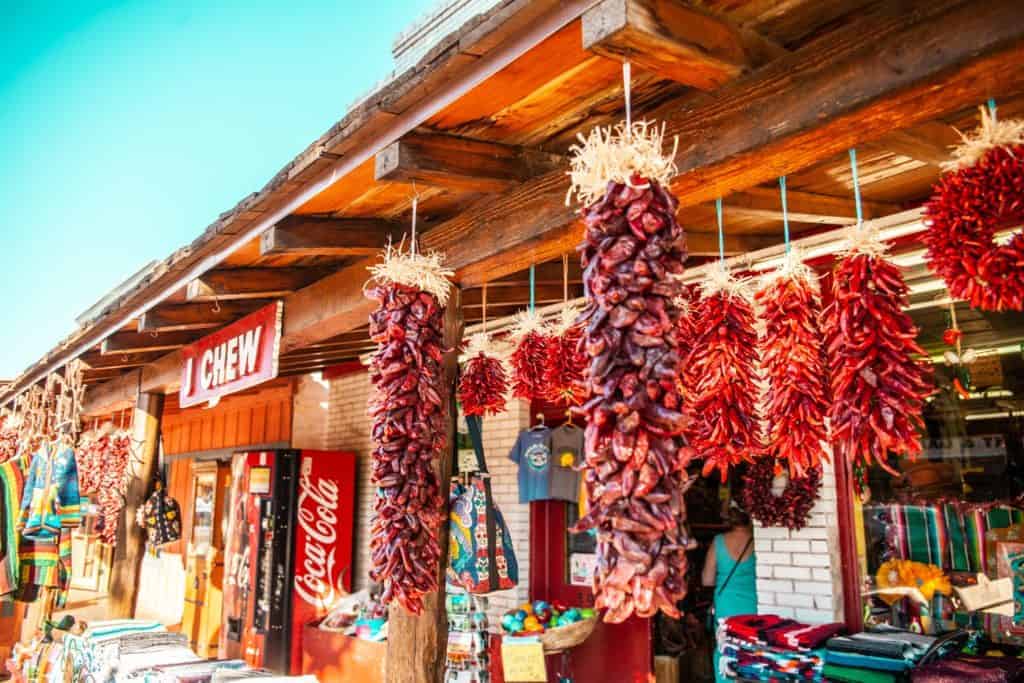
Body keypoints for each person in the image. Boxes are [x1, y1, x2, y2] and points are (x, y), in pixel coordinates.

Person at [702, 501, 757, 683]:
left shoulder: (719, 542)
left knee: (726, 651)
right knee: (752, 652)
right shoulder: (757, 541)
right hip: (753, 605)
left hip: (726, 606)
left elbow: (707, 580)